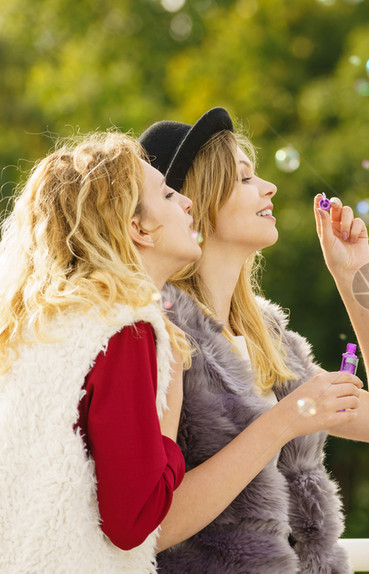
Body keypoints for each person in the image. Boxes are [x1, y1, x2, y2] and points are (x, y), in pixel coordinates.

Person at [138, 107, 369, 573]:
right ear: (194, 202)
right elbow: (152, 523)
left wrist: (354, 277)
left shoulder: (270, 340)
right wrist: (286, 420)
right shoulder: (160, 336)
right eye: (245, 178)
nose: (269, 187)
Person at [0, 132, 202, 573]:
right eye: (167, 194)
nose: (186, 202)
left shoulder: (36, 324)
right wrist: (168, 432)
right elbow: (130, 522)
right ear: (138, 228)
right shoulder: (124, 329)